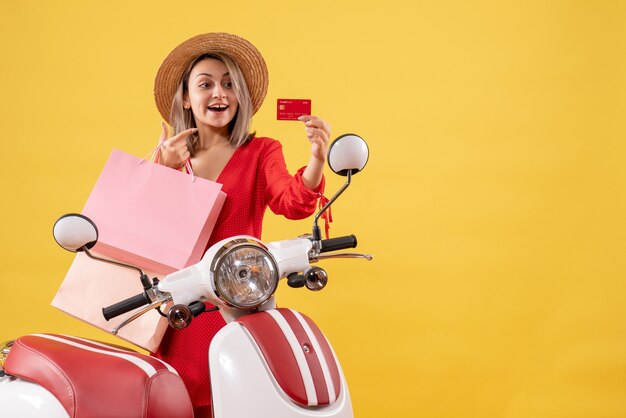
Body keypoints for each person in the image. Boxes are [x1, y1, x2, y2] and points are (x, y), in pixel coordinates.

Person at [151, 32, 330, 415]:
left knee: (245, 397)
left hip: (239, 300)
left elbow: (292, 201)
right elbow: (142, 232)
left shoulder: (261, 150)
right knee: (179, 401)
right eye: (206, 84)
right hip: (182, 304)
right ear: (185, 97)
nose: (220, 93)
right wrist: (161, 172)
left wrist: (317, 159)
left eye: (230, 84)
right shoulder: (167, 156)